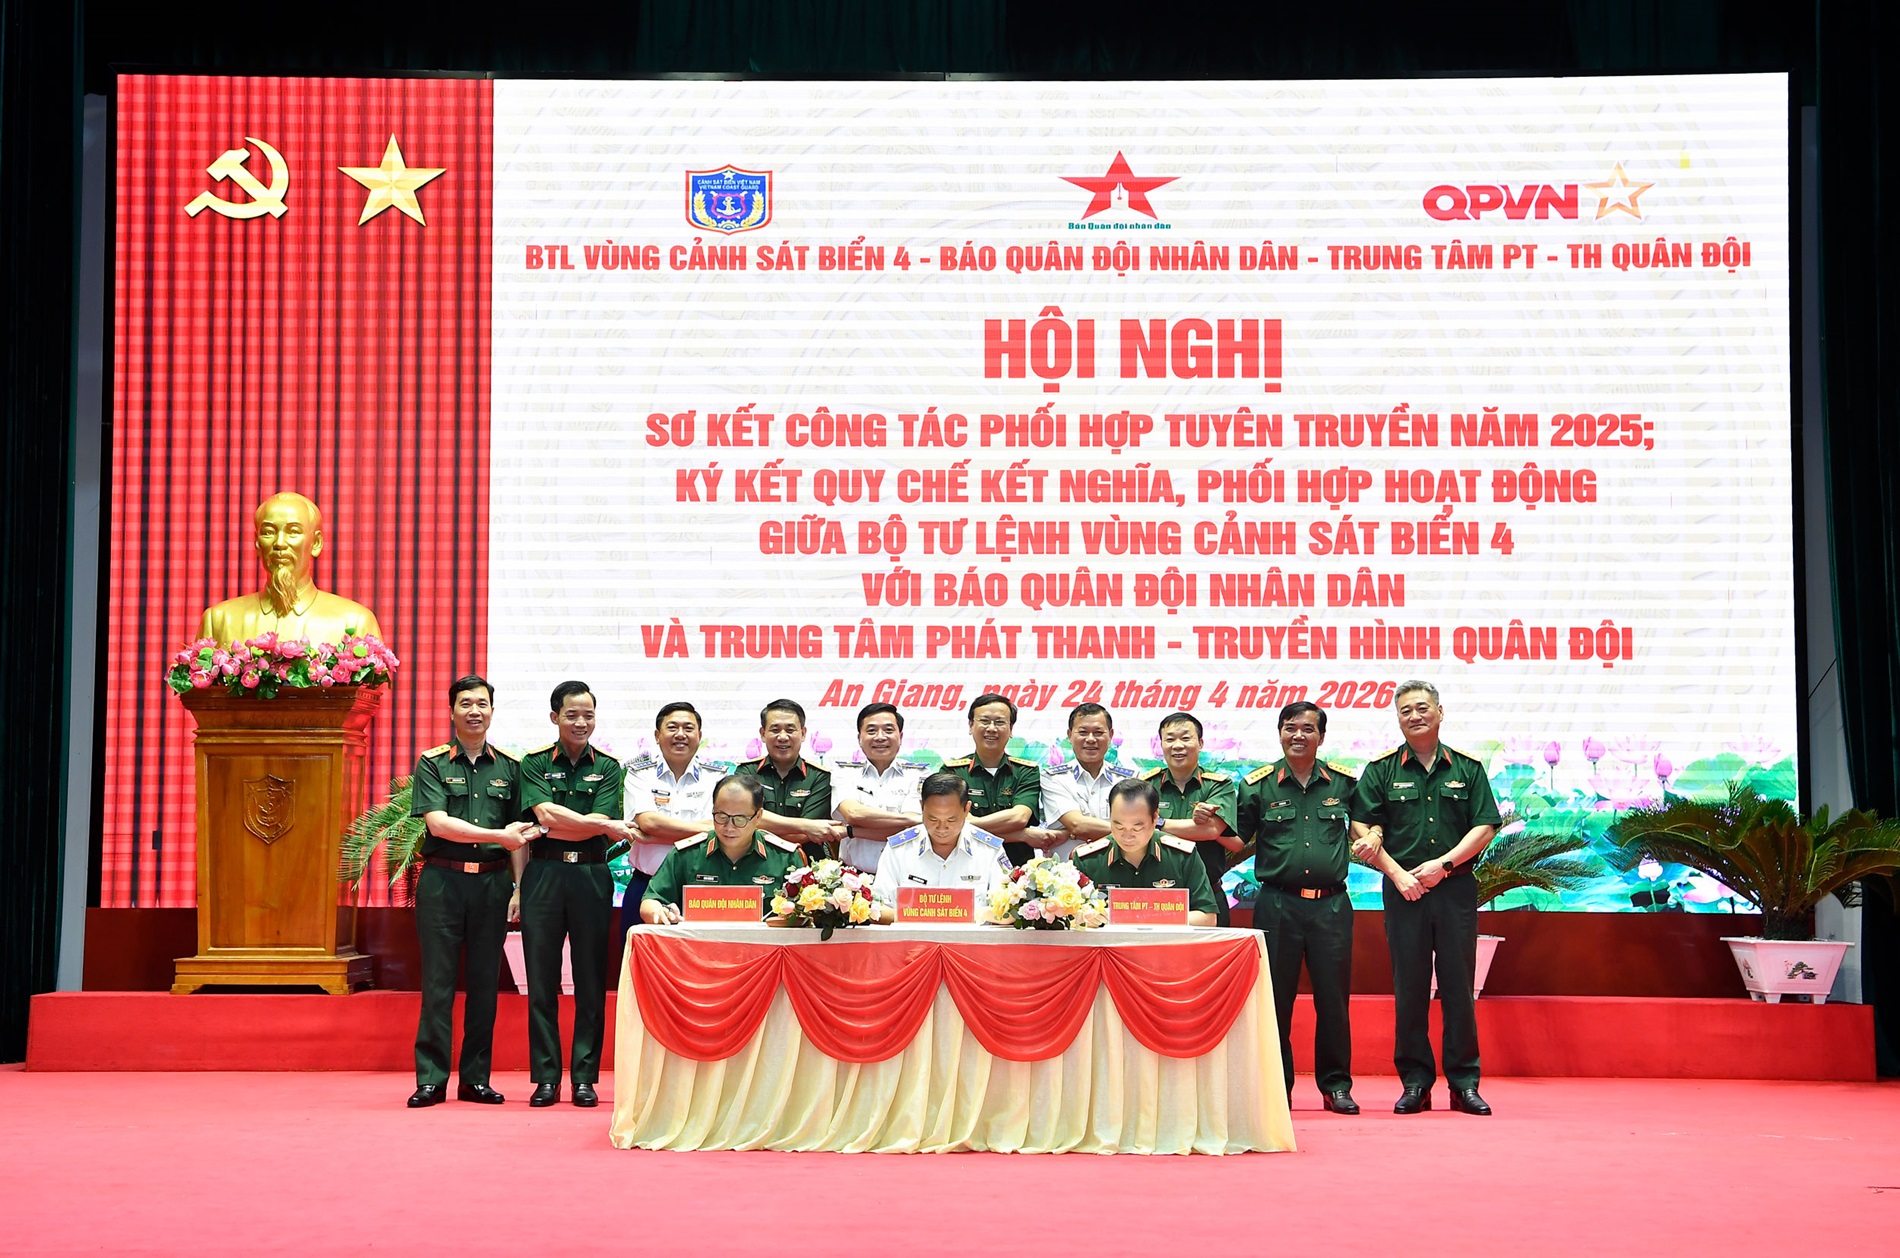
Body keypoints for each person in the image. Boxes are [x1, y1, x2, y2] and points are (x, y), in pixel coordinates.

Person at [1352, 680, 1502, 1116]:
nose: (1414, 716)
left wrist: (1445, 865)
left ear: (1439, 712)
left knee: (1458, 987)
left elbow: (1484, 826)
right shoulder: (1381, 770)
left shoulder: (1468, 769)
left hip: (1454, 889)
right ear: (1398, 719)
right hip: (1404, 892)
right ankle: (1415, 1083)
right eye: (1405, 711)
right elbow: (1361, 824)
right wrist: (1398, 874)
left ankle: (1464, 1084)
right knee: (1410, 988)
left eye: (1422, 708)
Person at [406, 675, 538, 1108]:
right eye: (466, 703)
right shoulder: (432, 763)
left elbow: (518, 838)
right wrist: (498, 835)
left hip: (492, 884)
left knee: (484, 985)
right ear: (452, 712)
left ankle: (475, 1079)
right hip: (443, 883)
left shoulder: (510, 768)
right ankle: (431, 1079)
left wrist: (518, 888)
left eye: (482, 703)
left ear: (492, 712)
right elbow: (439, 824)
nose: (474, 711)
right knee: (438, 984)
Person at [1238, 701, 1367, 1114]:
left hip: (1332, 906)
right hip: (1277, 903)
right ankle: (1279, 1089)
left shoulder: (1344, 784)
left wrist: (1376, 835)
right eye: (1290, 727)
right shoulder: (1258, 786)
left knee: (1333, 1000)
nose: (1298, 735)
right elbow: (1234, 839)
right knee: (1275, 1000)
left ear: (1321, 736)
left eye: (1308, 729)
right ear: (1280, 733)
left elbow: (1367, 826)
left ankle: (1336, 1086)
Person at [517, 680, 629, 1109]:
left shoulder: (610, 767)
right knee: (541, 981)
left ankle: (585, 1077)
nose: (581, 722)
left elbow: (578, 821)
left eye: (588, 715)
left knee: (590, 980)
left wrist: (572, 824)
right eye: (572, 715)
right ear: (555, 717)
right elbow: (544, 816)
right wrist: (597, 825)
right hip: (543, 873)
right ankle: (546, 1078)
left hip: (590, 875)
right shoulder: (533, 763)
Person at [196, 491, 383, 644]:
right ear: (257, 543)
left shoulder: (354, 623)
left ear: (316, 543)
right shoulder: (220, 620)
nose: (279, 543)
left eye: (293, 532)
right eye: (268, 532)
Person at [640, 775, 805, 923]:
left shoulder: (785, 858)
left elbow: (807, 914)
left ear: (758, 817)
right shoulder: (687, 854)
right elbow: (650, 901)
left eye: (740, 819)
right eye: (721, 817)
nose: (729, 827)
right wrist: (659, 912)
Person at [623, 702, 731, 922]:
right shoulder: (639, 774)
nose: (680, 734)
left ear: (699, 735)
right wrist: (702, 831)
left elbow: (722, 830)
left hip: (702, 890)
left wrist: (655, 836)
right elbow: (649, 822)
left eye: (688, 728)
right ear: (657, 735)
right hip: (645, 885)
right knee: (637, 945)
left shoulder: (718, 778)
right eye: (672, 727)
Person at [1071, 778, 1220, 925]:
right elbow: (1070, 918)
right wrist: (1086, 918)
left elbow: (1207, 918)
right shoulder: (1088, 860)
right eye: (1119, 826)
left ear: (1155, 818)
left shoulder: (1181, 856)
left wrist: (1141, 917)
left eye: (1137, 828)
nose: (1127, 836)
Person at [1143, 711, 1242, 925]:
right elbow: (1136, 830)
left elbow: (1210, 830)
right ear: (1161, 745)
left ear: (1200, 743)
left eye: (1186, 738)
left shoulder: (1218, 785)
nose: (1177, 746)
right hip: (1157, 897)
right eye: (1170, 739)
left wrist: (1156, 823)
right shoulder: (1145, 787)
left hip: (1208, 896)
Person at [870, 772, 1012, 919]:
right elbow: (877, 908)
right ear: (921, 807)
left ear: (966, 809)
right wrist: (921, 917)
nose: (942, 828)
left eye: (951, 820)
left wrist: (963, 916)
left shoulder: (989, 850)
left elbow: (1008, 909)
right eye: (933, 819)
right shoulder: (899, 849)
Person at [941, 692, 1050, 867]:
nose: (991, 728)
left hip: (1017, 872)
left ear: (1011, 729)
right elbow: (949, 824)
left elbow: (1019, 818)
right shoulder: (951, 771)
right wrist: (1020, 835)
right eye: (984, 721)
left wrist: (971, 824)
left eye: (999, 722)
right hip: (964, 866)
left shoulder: (1026, 771)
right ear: (971, 725)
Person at [733, 698, 845, 860]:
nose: (783, 737)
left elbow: (808, 834)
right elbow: (740, 821)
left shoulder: (820, 777)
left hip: (807, 865)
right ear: (763, 734)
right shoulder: (746, 773)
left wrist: (757, 827)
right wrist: (805, 826)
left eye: (790, 730)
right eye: (775, 730)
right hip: (753, 862)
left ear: (803, 733)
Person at [831, 703, 930, 874]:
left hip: (904, 876)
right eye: (871, 731)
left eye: (888, 730)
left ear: (900, 736)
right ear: (859, 738)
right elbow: (854, 814)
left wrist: (851, 831)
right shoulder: (844, 772)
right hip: (853, 878)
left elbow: (909, 831)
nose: (880, 737)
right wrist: (910, 820)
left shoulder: (919, 774)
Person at [1038, 703, 1135, 861]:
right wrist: (1130, 832)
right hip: (1068, 872)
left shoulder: (1129, 780)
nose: (1090, 739)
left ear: (1110, 735)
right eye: (1083, 732)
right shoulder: (1053, 778)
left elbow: (1138, 823)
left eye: (1098, 733)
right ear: (1070, 735)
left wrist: (1072, 834)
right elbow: (1077, 824)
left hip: (1119, 867)